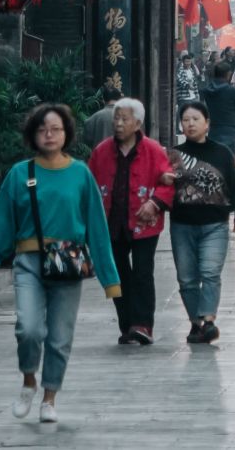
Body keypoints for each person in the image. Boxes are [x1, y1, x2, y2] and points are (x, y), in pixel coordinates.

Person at [0, 102, 123, 424]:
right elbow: (3, 219)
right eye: (43, 129)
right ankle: (29, 379)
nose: (49, 134)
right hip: (28, 262)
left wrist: (109, 279)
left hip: (67, 264)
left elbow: (97, 228)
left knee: (59, 336)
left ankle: (49, 398)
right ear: (34, 134)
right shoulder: (20, 174)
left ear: (66, 133)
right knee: (28, 328)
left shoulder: (80, 174)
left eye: (56, 129)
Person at [92, 98, 172, 347]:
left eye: (124, 119)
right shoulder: (102, 151)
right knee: (117, 275)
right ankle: (127, 325)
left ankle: (143, 325)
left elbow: (167, 182)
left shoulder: (154, 150)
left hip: (143, 223)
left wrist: (155, 203)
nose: (118, 123)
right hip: (111, 222)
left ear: (137, 123)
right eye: (116, 118)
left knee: (142, 273)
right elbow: (90, 184)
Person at [167, 100, 235, 344]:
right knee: (187, 278)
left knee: (210, 272)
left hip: (215, 224)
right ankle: (196, 323)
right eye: (186, 120)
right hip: (182, 224)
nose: (190, 124)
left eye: (195, 119)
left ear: (207, 123)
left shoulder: (222, 152)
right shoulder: (173, 155)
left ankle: (209, 320)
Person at [200, 61, 235, 155]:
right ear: (228, 74)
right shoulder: (231, 91)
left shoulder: (207, 90)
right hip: (229, 128)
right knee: (229, 159)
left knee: (215, 159)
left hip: (214, 128)